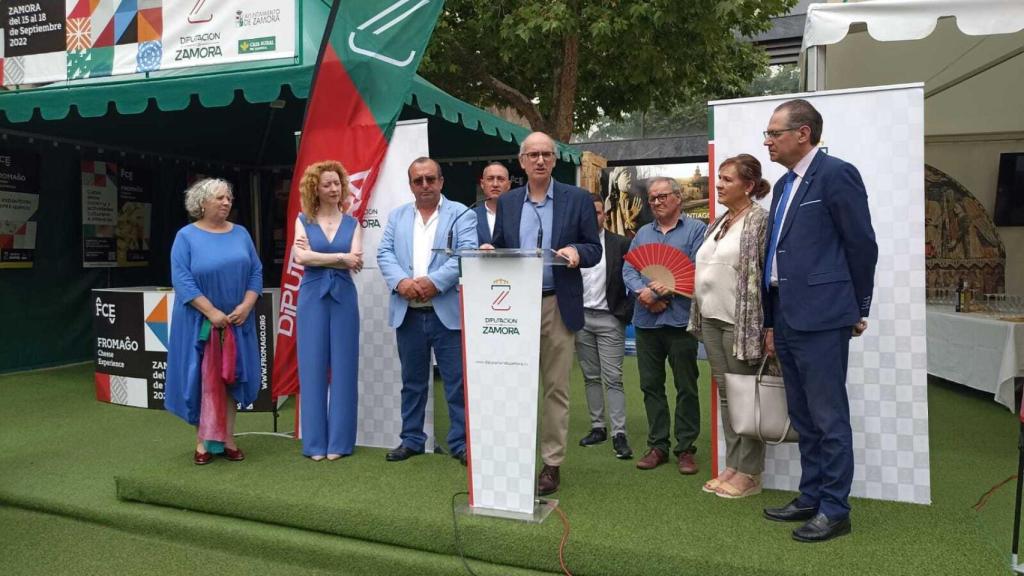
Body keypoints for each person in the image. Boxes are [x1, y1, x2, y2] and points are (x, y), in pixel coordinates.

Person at [760, 99, 878, 542]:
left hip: (824, 316)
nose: (768, 142)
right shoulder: (782, 185)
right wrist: (771, 321)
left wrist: (858, 307)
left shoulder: (837, 174)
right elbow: (775, 256)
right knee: (803, 415)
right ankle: (810, 496)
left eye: (774, 133)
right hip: (786, 314)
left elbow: (862, 245)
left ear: (803, 133)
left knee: (828, 417)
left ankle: (835, 509)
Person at [486, 131, 602, 496]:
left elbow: (594, 248)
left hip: (557, 303)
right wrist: (489, 251)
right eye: (533, 155)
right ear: (522, 162)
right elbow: (502, 247)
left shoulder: (577, 198)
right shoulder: (508, 202)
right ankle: (514, 455)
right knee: (513, 384)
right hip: (513, 306)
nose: (540, 160)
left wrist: (577, 252)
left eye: (546, 155)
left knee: (555, 388)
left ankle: (551, 463)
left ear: (554, 160)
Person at [377, 157, 477, 465]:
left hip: (447, 313)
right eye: (418, 180)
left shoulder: (461, 214)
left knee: (457, 383)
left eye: (430, 179)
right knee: (412, 382)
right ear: (410, 185)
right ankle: (412, 439)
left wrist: (434, 282)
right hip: (408, 312)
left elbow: (466, 253)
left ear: (441, 181)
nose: (425, 185)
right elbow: (384, 252)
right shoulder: (397, 216)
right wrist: (401, 282)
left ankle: (461, 443)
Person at [689, 154, 771, 498]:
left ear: (748, 185)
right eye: (719, 178)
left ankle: (750, 473)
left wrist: (770, 327)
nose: (718, 185)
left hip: (741, 324)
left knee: (745, 397)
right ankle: (734, 466)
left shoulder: (760, 221)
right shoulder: (720, 221)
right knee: (727, 395)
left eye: (727, 179)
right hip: (710, 318)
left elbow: (768, 277)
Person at [166, 178, 262, 465]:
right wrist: (210, 312)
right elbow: (182, 279)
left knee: (231, 376)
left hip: (237, 321)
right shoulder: (185, 236)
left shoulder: (241, 233)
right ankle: (202, 442)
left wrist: (246, 305)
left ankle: (228, 439)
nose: (226, 202)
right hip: (199, 324)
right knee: (202, 379)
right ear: (201, 203)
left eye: (229, 198)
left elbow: (256, 272)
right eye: (220, 198)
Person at [622, 177, 706, 475]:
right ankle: (658, 445)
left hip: (681, 321)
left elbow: (696, 269)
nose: (656, 202)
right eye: (652, 198)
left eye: (662, 196)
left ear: (678, 197)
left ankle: (685, 448)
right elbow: (629, 269)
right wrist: (642, 294)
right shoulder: (643, 233)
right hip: (646, 322)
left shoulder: (697, 230)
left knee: (686, 386)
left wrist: (660, 293)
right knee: (650, 386)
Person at [292, 160, 363, 461]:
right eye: (327, 184)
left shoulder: (353, 223)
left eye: (337, 183)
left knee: (345, 367)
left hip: (344, 296)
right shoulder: (302, 220)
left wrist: (319, 255)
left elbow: (356, 260)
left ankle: (339, 443)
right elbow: (301, 258)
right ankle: (314, 444)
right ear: (316, 189)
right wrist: (340, 258)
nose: (334, 189)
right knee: (312, 367)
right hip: (312, 297)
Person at [575, 193, 634, 459]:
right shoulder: (573, 246)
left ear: (604, 215)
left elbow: (635, 277)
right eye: (588, 213)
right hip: (581, 319)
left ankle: (619, 433)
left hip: (610, 319)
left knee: (613, 378)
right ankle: (597, 427)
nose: (593, 217)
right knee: (590, 376)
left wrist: (626, 311)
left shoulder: (620, 243)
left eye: (597, 212)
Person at [475, 162, 511, 245]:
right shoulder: (470, 215)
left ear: (508, 185)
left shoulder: (518, 214)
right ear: (482, 184)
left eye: (500, 179)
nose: (495, 184)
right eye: (490, 179)